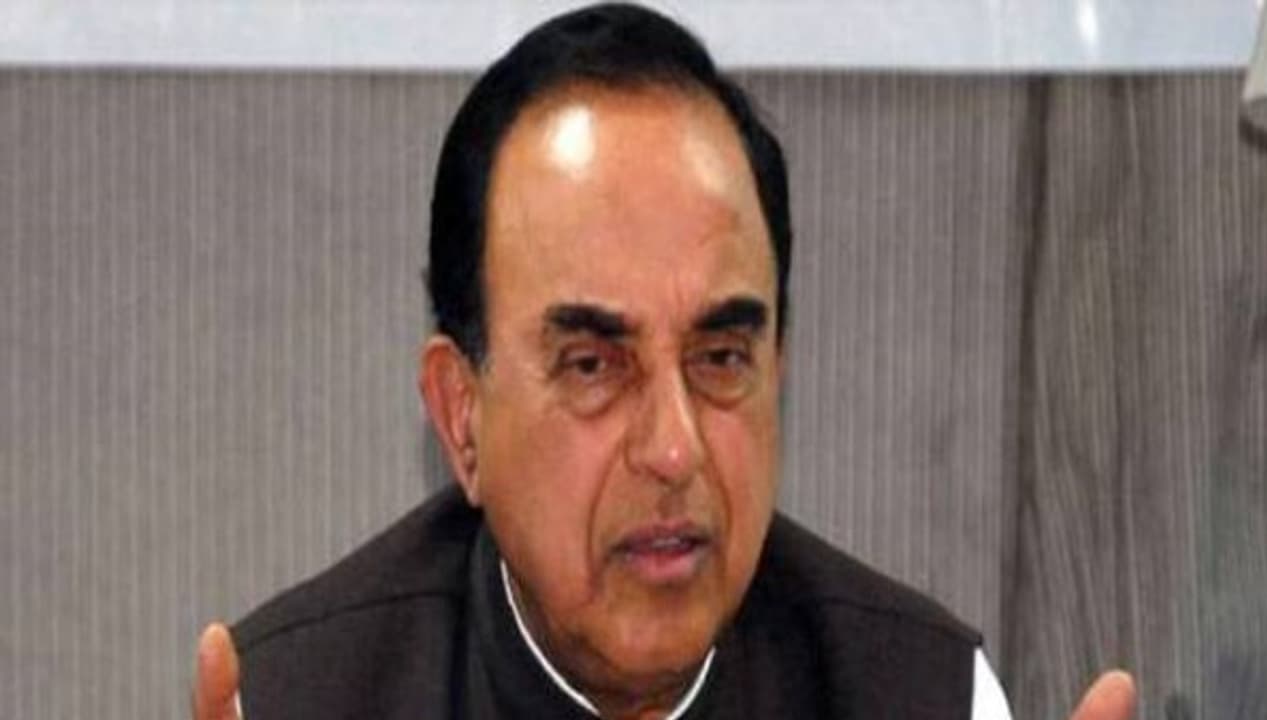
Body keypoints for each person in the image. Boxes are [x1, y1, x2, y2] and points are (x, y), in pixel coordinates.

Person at [191, 4, 1137, 719]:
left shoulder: (920, 694)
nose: (675, 451)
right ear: (462, 417)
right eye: (592, 367)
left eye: (721, 356)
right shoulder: (296, 701)